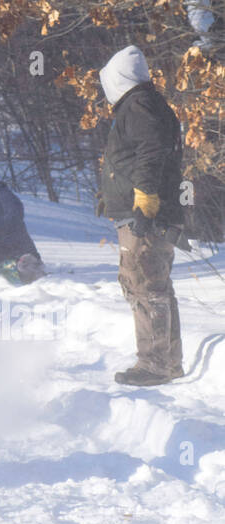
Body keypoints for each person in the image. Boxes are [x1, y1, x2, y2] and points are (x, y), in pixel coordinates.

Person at [98, 44, 184, 386]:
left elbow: (152, 151)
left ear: (118, 79)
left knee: (145, 285)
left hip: (146, 217)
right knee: (151, 285)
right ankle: (166, 361)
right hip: (143, 215)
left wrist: (145, 199)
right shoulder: (143, 104)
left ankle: (156, 365)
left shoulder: (140, 105)